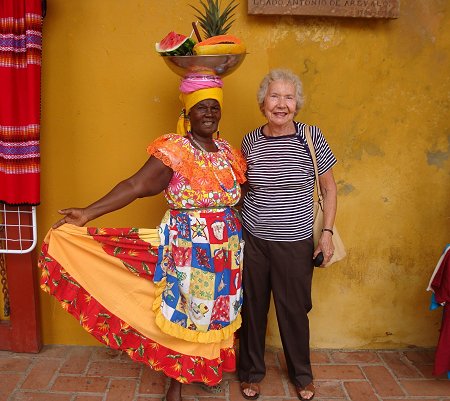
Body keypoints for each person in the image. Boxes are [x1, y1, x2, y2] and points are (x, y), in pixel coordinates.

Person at [39, 74, 247, 401]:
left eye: (214, 107)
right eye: (201, 107)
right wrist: (89, 213)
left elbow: (242, 194)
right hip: (187, 250)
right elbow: (135, 185)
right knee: (188, 312)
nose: (209, 113)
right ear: (187, 114)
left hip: (227, 253)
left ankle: (206, 369)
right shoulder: (176, 151)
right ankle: (175, 384)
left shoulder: (227, 152)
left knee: (216, 311)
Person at [237, 69, 337, 401]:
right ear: (263, 102)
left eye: (289, 97)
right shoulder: (250, 141)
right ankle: (251, 372)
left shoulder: (311, 136)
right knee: (252, 308)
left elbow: (329, 189)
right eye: (275, 96)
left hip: (294, 241)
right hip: (253, 239)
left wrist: (326, 233)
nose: (282, 104)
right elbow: (242, 187)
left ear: (297, 103)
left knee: (294, 309)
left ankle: (301, 374)